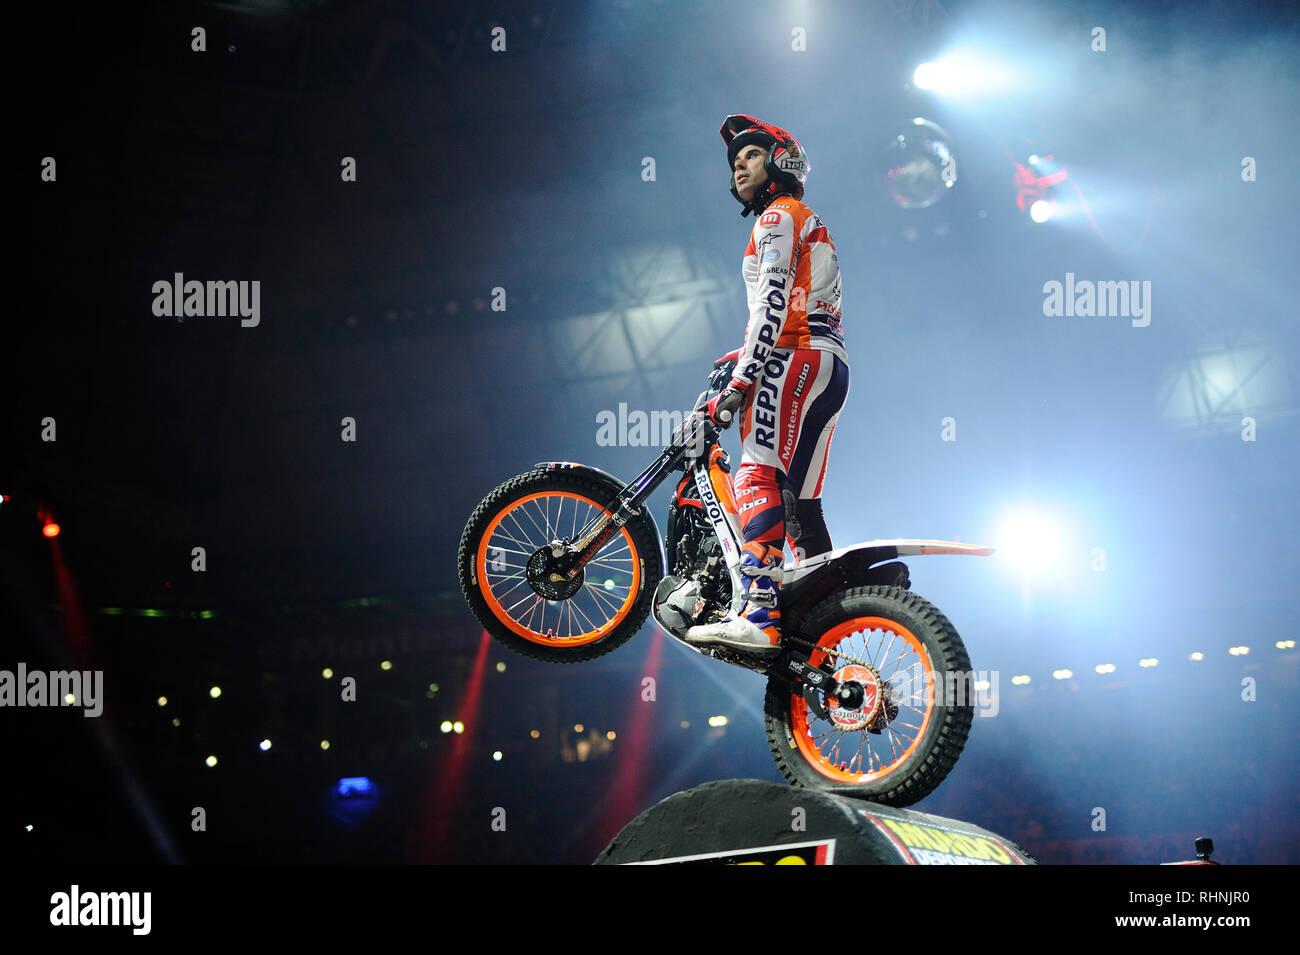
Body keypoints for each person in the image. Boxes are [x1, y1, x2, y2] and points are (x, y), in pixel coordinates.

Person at [687, 114, 849, 656]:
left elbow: (772, 301)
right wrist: (746, 354)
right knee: (802, 506)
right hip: (828, 364)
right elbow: (793, 304)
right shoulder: (802, 218)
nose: (739, 162)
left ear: (782, 161)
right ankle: (831, 616)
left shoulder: (778, 215)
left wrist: (741, 378)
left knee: (756, 470)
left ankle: (759, 613)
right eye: (736, 159)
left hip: (794, 359)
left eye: (752, 153)